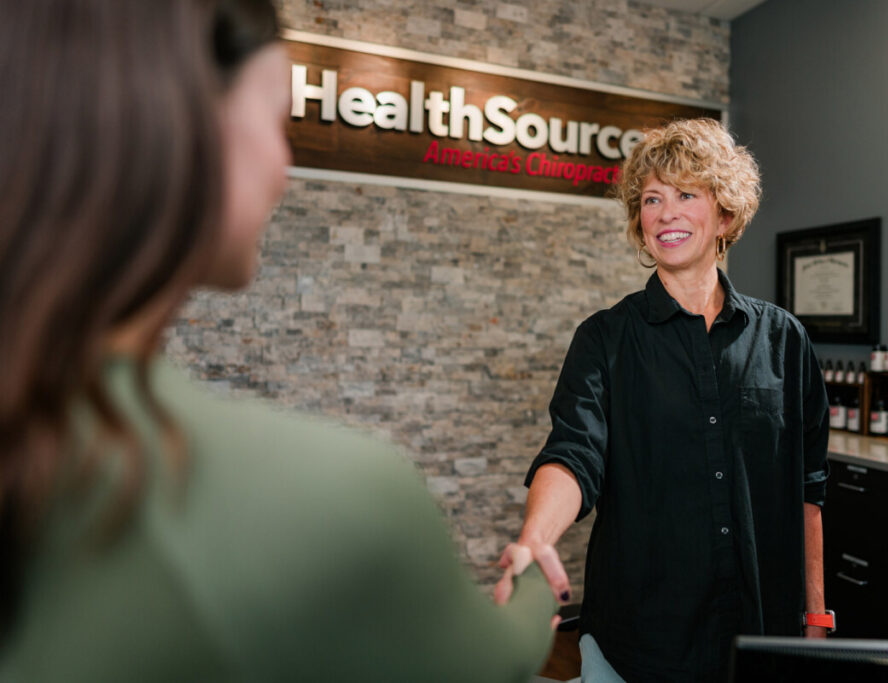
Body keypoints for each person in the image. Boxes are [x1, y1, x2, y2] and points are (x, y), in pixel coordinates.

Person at [0, 1, 557, 680]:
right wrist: (532, 591)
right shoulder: (344, 497)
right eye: (277, 119)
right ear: (184, 127)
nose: (285, 166)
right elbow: (490, 663)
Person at [504, 118, 831, 682]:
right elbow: (573, 453)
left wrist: (816, 610)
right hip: (639, 640)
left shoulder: (784, 340)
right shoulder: (604, 338)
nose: (666, 212)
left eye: (686, 194)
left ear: (725, 214)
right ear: (639, 221)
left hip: (758, 637)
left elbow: (808, 487)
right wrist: (535, 540)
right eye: (652, 199)